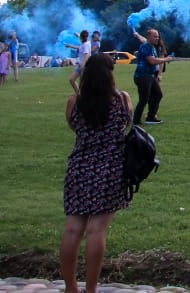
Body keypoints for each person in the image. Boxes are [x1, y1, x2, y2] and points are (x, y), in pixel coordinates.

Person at [59, 54, 132, 293]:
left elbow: (74, 127)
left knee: (72, 229)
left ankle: (71, 286)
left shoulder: (74, 102)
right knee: (96, 230)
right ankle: (91, 288)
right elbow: (126, 125)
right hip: (110, 169)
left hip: (80, 167)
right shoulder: (121, 100)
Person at [132, 29, 172, 125]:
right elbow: (152, 61)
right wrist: (165, 59)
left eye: (157, 36)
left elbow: (155, 60)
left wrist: (159, 73)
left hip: (150, 76)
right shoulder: (145, 47)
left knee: (158, 94)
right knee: (144, 99)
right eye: (155, 36)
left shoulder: (152, 47)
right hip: (143, 76)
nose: (157, 38)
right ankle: (136, 121)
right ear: (149, 37)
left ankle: (151, 117)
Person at [70, 30, 90, 95]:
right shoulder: (84, 42)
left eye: (80, 37)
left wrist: (82, 65)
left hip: (84, 66)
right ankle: (79, 95)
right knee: (72, 80)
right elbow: (80, 47)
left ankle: (83, 97)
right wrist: (70, 46)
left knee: (83, 83)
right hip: (79, 65)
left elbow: (86, 55)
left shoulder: (86, 45)